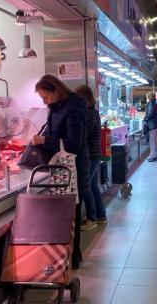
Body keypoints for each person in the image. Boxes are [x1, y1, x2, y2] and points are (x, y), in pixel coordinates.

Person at [32, 75, 89, 269]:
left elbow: (74, 144)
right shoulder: (56, 109)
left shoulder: (74, 108)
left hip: (73, 168)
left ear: (56, 90)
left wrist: (44, 141)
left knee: (70, 212)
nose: (44, 101)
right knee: (63, 213)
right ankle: (65, 255)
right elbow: (56, 135)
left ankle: (72, 258)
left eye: (45, 97)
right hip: (59, 168)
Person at [75, 85, 107, 231]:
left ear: (84, 98)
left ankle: (91, 218)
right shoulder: (90, 112)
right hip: (92, 155)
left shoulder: (90, 113)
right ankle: (100, 215)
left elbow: (84, 134)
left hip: (91, 155)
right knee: (93, 186)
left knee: (85, 187)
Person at [145, 91, 157, 162]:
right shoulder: (153, 103)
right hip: (154, 124)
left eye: (147, 97)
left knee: (153, 141)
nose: (146, 98)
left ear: (149, 97)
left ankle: (153, 156)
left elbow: (150, 114)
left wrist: (145, 118)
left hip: (152, 125)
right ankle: (153, 155)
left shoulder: (151, 103)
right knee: (153, 141)